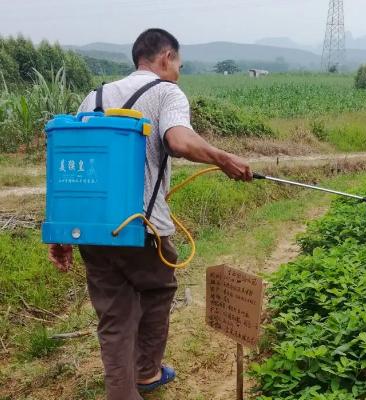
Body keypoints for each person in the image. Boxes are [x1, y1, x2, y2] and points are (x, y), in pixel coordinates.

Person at [48, 28, 252, 400]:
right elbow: (178, 140)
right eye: (178, 64)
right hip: (143, 230)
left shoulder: (92, 97)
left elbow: (75, 169)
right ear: (166, 58)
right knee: (159, 290)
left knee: (114, 317)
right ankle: (146, 373)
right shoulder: (166, 92)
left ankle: (122, 392)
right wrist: (224, 159)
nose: (178, 72)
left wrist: (64, 234)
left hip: (92, 231)